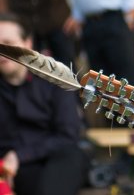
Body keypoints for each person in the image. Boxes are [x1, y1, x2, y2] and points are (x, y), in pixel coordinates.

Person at [0, 13, 85, 195]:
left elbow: (68, 135)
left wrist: (20, 155)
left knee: (68, 157)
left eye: (8, 43)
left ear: (27, 44)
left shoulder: (54, 79)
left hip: (55, 161)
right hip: (11, 168)